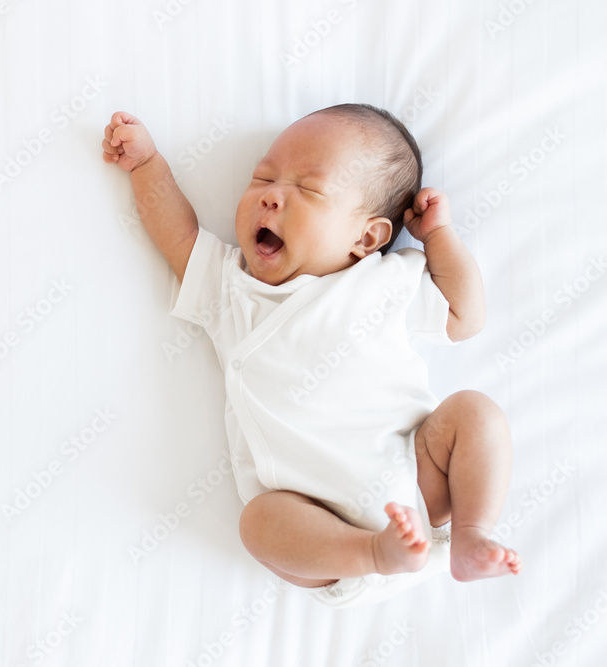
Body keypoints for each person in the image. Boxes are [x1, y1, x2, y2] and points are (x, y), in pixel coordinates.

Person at [101, 104, 521, 606]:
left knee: (475, 412)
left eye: (308, 190)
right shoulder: (232, 289)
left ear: (367, 238)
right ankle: (375, 552)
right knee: (259, 523)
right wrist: (147, 165)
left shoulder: (385, 281)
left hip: (417, 479)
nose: (271, 197)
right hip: (316, 519)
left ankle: (473, 533)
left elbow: (465, 316)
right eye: (263, 178)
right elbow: (178, 232)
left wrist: (438, 237)